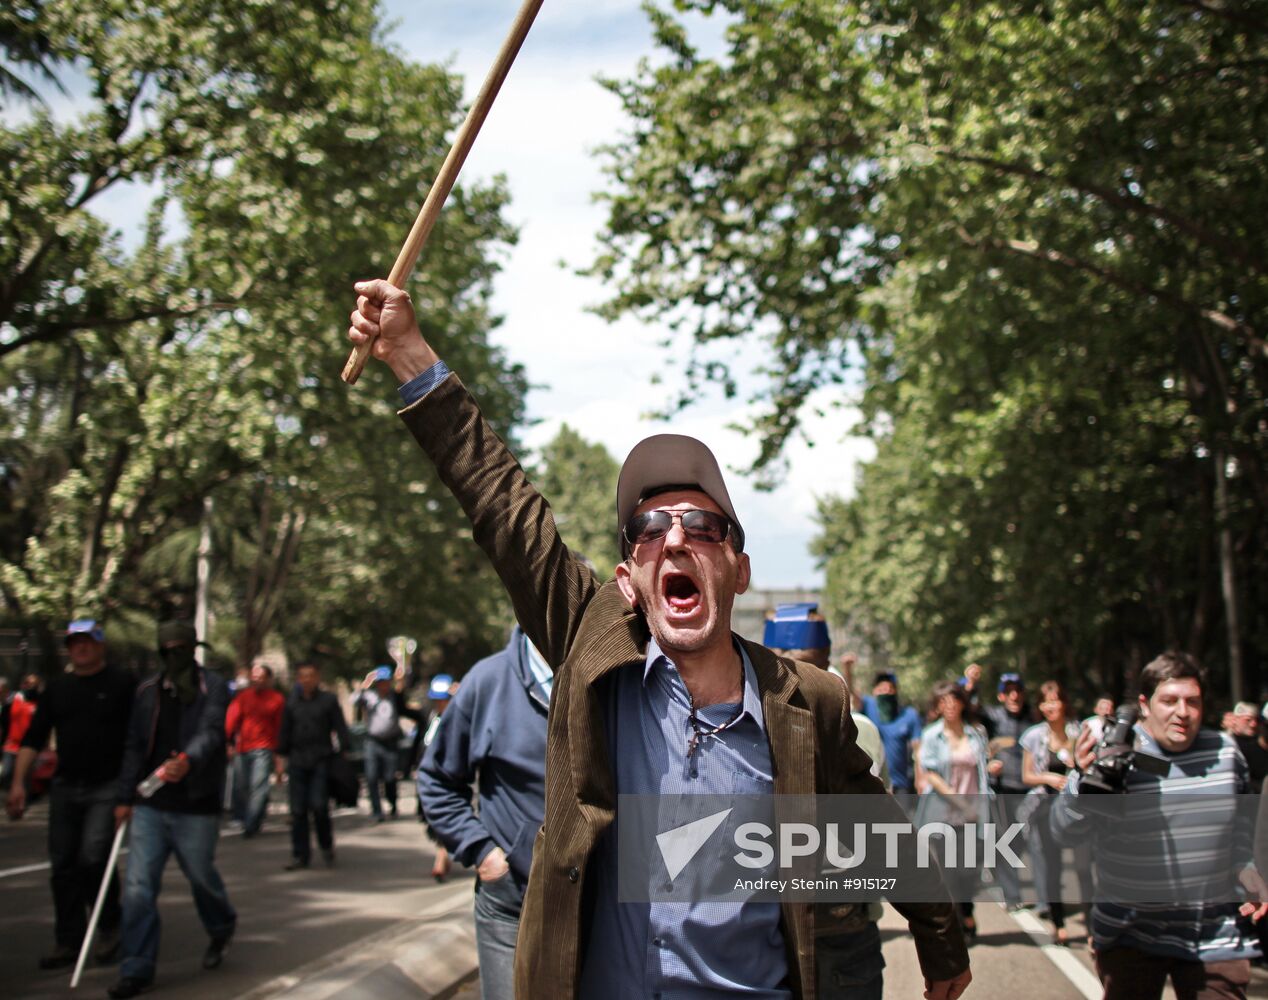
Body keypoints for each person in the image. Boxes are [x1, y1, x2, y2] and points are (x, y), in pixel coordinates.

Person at [345, 279, 971, 999]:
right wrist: (410, 355)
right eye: (650, 529)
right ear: (626, 579)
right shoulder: (592, 646)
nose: (675, 538)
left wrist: (940, 937)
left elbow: (876, 830)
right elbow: (501, 505)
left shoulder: (809, 704)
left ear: (736, 571)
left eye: (703, 527)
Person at [1052, 652, 1266, 999]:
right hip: (1130, 934)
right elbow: (1064, 832)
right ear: (1144, 705)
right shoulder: (1117, 755)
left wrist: (1246, 867)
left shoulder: (1226, 753)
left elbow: (1241, 826)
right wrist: (1081, 778)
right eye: (1169, 701)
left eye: (1192, 702)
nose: (1183, 712)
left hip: (1214, 933)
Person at [417, 629, 549, 1000]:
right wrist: (482, 852)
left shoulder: (616, 674)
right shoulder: (487, 681)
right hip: (511, 903)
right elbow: (436, 779)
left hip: (602, 902)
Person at [765, 604, 888, 1000]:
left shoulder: (741, 727)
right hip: (843, 924)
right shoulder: (859, 726)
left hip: (771, 926)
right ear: (828, 657)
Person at [110, 621, 236, 1000]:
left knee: (200, 875)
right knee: (138, 887)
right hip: (151, 803)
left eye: (181, 648)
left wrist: (188, 761)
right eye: (167, 650)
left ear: (193, 649)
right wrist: (123, 796)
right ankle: (136, 967)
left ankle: (220, 926)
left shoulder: (212, 686)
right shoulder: (147, 691)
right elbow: (134, 745)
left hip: (196, 803)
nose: (174, 656)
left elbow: (213, 731)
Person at [5, 620, 136, 969]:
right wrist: (18, 783)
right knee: (62, 864)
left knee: (93, 858)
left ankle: (109, 926)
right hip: (65, 786)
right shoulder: (58, 689)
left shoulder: (123, 684)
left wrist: (130, 790)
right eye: (74, 642)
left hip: (107, 787)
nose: (81, 648)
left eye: (88, 642)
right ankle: (69, 939)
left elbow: (138, 740)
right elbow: (33, 739)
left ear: (100, 645)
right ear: (68, 648)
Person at [916, 680, 992, 943]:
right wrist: (962, 804)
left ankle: (967, 911)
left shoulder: (976, 734)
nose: (949, 706)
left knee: (969, 871)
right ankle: (957, 923)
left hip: (974, 813)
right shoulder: (931, 735)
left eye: (953, 700)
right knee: (948, 873)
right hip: (943, 814)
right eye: (943, 701)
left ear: (962, 703)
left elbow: (982, 770)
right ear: (937, 706)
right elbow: (933, 776)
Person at [1019, 680, 1081, 944]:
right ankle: (1058, 922)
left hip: (1078, 807)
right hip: (1045, 806)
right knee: (1052, 865)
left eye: (1054, 700)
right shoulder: (1034, 736)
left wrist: (1075, 765)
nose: (1049, 707)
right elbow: (1026, 776)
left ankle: (1093, 923)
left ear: (1064, 702)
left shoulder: (1079, 732)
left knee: (1084, 867)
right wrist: (1048, 778)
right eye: (1044, 702)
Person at [275, 661, 351, 870]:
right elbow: (284, 733)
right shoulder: (291, 704)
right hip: (297, 761)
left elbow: (340, 728)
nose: (307, 679)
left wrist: (344, 753)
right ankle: (300, 855)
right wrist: (280, 761)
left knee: (319, 806)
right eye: (302, 676)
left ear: (317, 677)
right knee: (298, 811)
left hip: (321, 761)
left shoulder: (328, 701)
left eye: (311, 675)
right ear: (298, 679)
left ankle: (326, 845)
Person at [976, 671, 1031, 910]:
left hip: (1029, 788)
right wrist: (971, 684)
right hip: (1001, 788)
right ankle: (1012, 895)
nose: (1014, 696)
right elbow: (970, 708)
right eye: (1009, 691)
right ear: (1001, 695)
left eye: (1018, 690)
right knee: (1005, 839)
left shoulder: (1032, 718)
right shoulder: (993, 717)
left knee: (1022, 840)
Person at [224, 663, 285, 837]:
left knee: (258, 786)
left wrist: (279, 753)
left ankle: (251, 823)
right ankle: (245, 817)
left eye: (260, 676)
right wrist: (228, 743)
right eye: (254, 676)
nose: (256, 679)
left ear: (268, 679)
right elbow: (232, 720)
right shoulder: (243, 697)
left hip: (264, 748)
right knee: (241, 785)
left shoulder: (277, 699)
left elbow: (280, 726)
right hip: (242, 748)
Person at [354, 665, 417, 822]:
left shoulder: (394, 697)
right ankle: (377, 811)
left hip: (391, 742)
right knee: (371, 776)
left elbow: (403, 695)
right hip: (373, 742)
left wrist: (401, 676)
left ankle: (392, 803)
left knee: (390, 777)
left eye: (385, 682)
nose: (383, 685)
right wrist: (365, 684)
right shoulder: (369, 696)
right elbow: (355, 700)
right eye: (380, 682)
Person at [858, 670, 924, 803]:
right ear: (874, 691)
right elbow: (851, 695)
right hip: (873, 783)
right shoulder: (869, 707)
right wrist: (848, 669)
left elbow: (918, 748)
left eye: (890, 689)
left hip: (900, 784)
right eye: (881, 689)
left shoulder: (909, 715)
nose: (886, 693)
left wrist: (921, 776)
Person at [1, 672, 40, 788]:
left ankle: (23, 801)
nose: (30, 686)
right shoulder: (15, 698)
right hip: (11, 745)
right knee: (6, 773)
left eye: (34, 684)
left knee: (25, 777)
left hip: (28, 747)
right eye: (27, 683)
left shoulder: (39, 703)